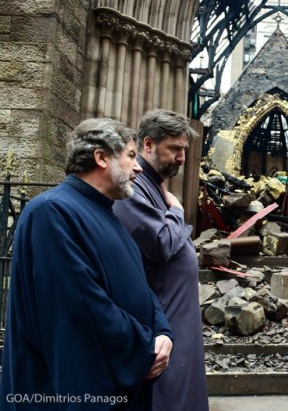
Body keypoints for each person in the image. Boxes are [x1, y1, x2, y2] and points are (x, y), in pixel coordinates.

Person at [0, 118, 174, 410]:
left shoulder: (106, 213)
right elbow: (80, 306)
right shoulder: (52, 212)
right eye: (131, 156)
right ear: (101, 157)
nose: (139, 167)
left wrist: (162, 332)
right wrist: (142, 348)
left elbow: (140, 288)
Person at [113, 109, 209, 411]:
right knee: (168, 392)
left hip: (177, 308)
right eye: (175, 149)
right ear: (148, 145)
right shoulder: (135, 186)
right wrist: (177, 211)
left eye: (184, 149)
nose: (182, 157)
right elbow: (160, 243)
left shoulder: (153, 184)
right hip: (164, 310)